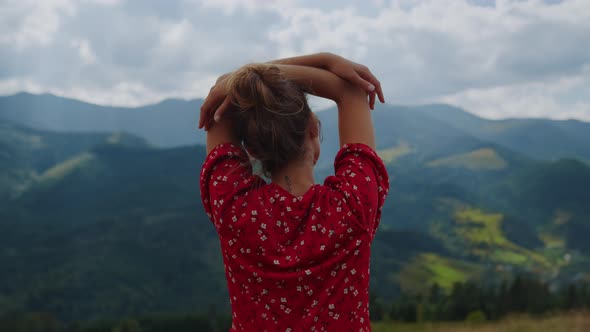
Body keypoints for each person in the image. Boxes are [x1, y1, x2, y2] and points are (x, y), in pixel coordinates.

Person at [198, 52, 389, 331]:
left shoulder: (233, 208)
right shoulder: (353, 204)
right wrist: (326, 60)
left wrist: (323, 60)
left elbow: (224, 88)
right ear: (313, 127)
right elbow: (350, 91)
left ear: (250, 148)